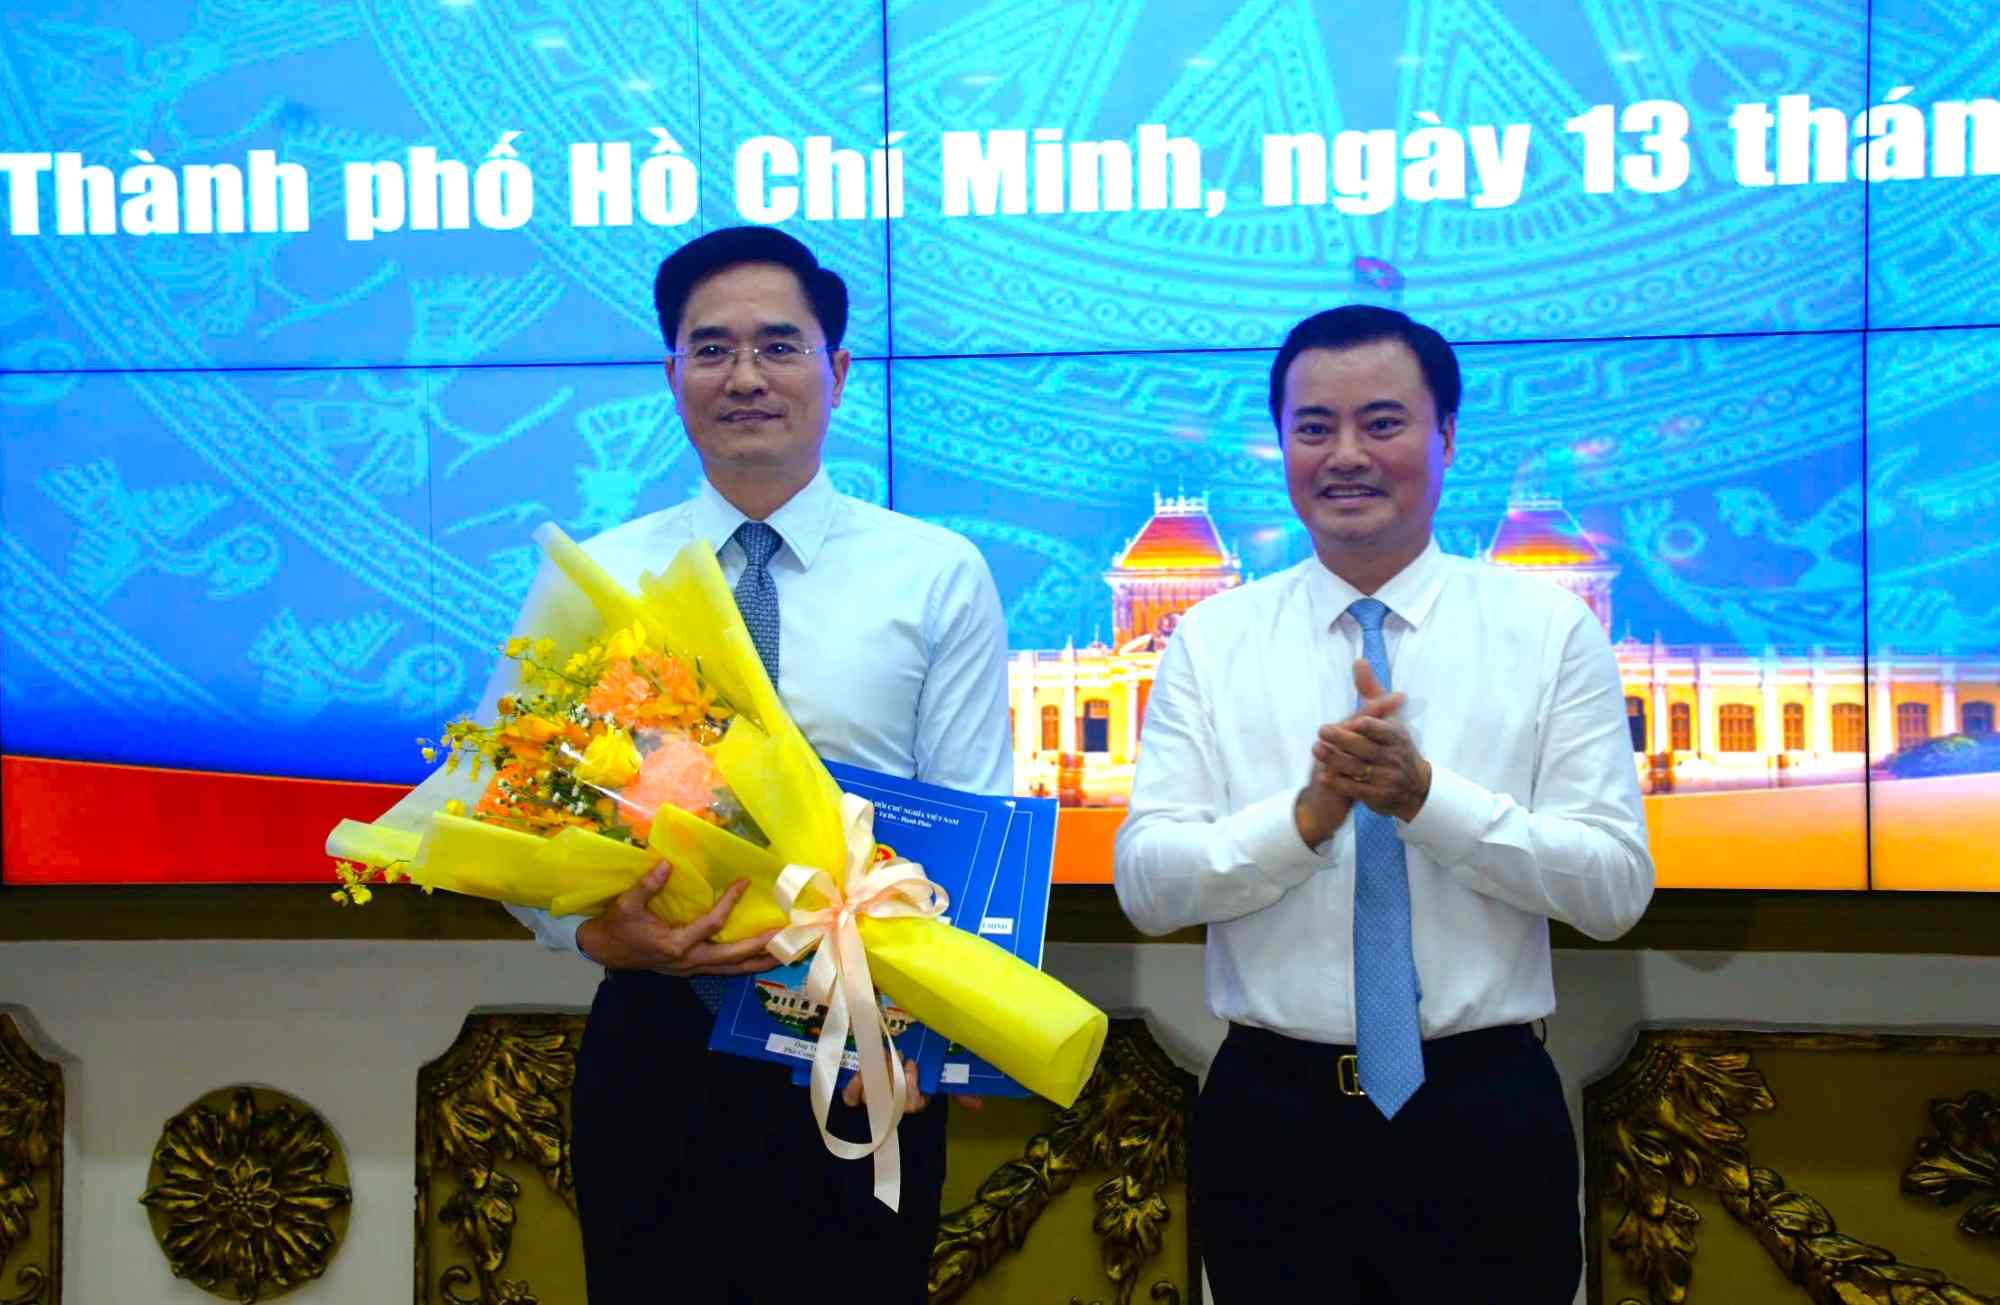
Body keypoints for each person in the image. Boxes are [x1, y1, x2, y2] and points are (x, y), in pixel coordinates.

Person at [501, 226, 1013, 1303]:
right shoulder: (600, 576)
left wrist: (943, 1035)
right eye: (711, 349)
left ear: (835, 371)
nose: (745, 377)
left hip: (863, 1041)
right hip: (656, 1035)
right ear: (672, 373)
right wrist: (593, 930)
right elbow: (520, 817)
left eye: (778, 347)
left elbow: (973, 814)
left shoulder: (933, 573)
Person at [1112, 305, 1653, 1301]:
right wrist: (1306, 819)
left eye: (1383, 423)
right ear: (1279, 443)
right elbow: (1147, 886)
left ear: (1446, 437)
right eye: (1312, 427)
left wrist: (1424, 800)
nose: (1345, 455)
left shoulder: (1547, 632)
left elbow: (1613, 889)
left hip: (1482, 1113)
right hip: (1272, 1119)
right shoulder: (1211, 639)